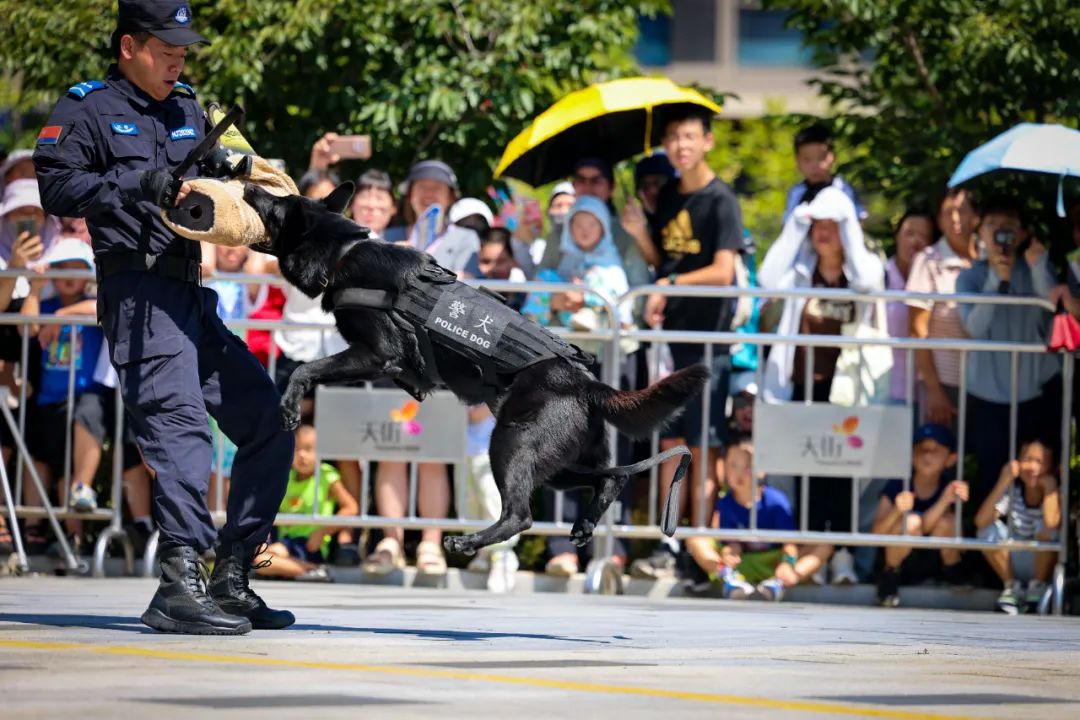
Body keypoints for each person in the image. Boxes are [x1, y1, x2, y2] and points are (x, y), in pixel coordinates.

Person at [33, 0, 295, 635]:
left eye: (183, 50)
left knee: (269, 421)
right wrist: (136, 185)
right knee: (181, 431)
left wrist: (268, 191)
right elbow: (56, 187)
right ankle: (179, 582)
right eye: (166, 49)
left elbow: (234, 166)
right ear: (129, 46)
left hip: (191, 293)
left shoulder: (190, 107)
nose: (178, 60)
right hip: (138, 293)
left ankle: (232, 576)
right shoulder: (88, 107)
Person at [759, 186, 884, 585]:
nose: (824, 232)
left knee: (842, 472)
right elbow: (766, 279)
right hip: (803, 384)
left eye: (834, 225)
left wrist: (846, 223)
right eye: (819, 225)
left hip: (847, 387)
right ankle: (812, 552)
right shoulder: (800, 268)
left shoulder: (862, 267)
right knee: (808, 469)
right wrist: (796, 224)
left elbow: (869, 280)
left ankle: (842, 554)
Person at [640, 107, 746, 535]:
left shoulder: (722, 200)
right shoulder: (667, 195)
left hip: (708, 341)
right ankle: (667, 542)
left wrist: (670, 284)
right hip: (669, 341)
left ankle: (699, 543)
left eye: (688, 136)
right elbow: (663, 261)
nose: (680, 145)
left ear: (707, 141)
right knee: (670, 444)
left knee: (703, 446)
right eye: (672, 137)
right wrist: (639, 232)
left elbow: (723, 271)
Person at [955, 198, 1061, 508]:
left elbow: (1051, 309)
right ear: (980, 233)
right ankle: (991, 538)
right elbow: (974, 327)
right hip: (987, 395)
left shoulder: (1036, 267)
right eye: (992, 225)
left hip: (1035, 392)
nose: (1000, 233)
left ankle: (1038, 538)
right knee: (992, 478)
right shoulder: (970, 277)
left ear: (1022, 233)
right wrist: (995, 278)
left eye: (1009, 227)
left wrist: (1038, 266)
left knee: (1038, 478)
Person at [17, 239, 101, 553]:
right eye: (62, 267)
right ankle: (44, 531)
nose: (69, 275)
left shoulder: (89, 302)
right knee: (48, 461)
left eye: (77, 268)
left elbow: (100, 309)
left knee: (71, 468)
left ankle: (73, 534)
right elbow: (27, 328)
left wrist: (64, 315)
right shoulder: (46, 305)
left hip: (83, 395)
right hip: (48, 399)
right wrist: (36, 289)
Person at [685, 434, 808, 601]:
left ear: (761, 471)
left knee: (823, 546)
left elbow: (789, 543)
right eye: (733, 465)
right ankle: (729, 578)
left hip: (773, 563)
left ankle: (778, 583)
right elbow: (731, 542)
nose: (739, 473)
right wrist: (729, 554)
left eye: (748, 465)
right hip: (741, 564)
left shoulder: (776, 501)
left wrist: (787, 563)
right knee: (695, 539)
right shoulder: (726, 503)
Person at [906, 188, 980, 428]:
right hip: (946, 383)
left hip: (988, 383)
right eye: (948, 212)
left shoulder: (989, 257)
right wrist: (934, 390)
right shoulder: (927, 261)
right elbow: (917, 330)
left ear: (976, 217)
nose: (955, 219)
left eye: (962, 211)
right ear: (939, 220)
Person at [871, 424, 968, 607]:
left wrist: (945, 501)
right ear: (911, 454)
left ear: (951, 459)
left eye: (935, 450)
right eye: (921, 449)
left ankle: (953, 573)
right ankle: (890, 576)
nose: (927, 456)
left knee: (947, 522)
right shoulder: (897, 484)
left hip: (934, 559)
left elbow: (951, 530)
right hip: (901, 561)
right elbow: (876, 532)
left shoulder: (949, 487)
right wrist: (896, 511)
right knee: (911, 522)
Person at [256, 424, 359, 582]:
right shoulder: (286, 477)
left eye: (309, 449)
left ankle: (310, 569)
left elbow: (351, 507)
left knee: (261, 560)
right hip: (286, 541)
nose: (302, 455)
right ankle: (308, 570)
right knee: (260, 555)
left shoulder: (326, 475)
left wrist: (323, 531)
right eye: (296, 449)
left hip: (310, 544)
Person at [975, 438, 1060, 614]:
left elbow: (1051, 524)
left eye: (1040, 462)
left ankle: (1037, 588)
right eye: (1027, 459)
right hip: (1013, 560)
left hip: (1040, 562)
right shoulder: (1013, 491)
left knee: (1045, 530)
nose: (1032, 467)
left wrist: (1050, 488)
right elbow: (981, 522)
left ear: (1052, 467)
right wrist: (1004, 481)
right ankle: (1012, 587)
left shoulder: (1054, 492)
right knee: (987, 531)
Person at [539, 157, 652, 291]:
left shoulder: (626, 231)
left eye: (596, 181)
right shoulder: (559, 233)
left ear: (611, 188)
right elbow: (539, 282)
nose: (588, 187)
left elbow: (639, 288)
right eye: (581, 180)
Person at [456, 404, 520, 592]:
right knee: (469, 502)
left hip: (495, 443)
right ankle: (483, 551)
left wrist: (483, 409)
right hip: (464, 443)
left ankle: (503, 556)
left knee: (494, 500)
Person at [885, 210, 935, 403]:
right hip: (884, 389)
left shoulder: (936, 282)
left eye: (923, 236)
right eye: (909, 233)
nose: (915, 241)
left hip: (926, 394)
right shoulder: (879, 277)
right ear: (896, 236)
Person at [781, 124, 866, 224]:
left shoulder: (843, 189)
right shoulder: (797, 193)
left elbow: (858, 222)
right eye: (807, 159)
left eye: (821, 158)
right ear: (797, 162)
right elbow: (788, 224)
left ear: (833, 157)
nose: (815, 165)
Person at [350, 169, 398, 239]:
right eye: (364, 196)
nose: (371, 205)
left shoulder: (409, 239)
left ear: (393, 208)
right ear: (352, 204)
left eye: (379, 198)